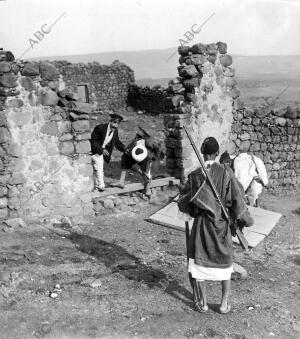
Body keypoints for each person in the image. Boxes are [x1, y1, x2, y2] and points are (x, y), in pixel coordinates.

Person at [178, 137, 254, 314]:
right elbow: (238, 199)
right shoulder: (226, 172)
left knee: (199, 265)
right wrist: (245, 221)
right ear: (217, 153)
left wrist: (188, 200)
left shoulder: (195, 175)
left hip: (202, 226)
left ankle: (203, 304)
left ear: (203, 153)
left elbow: (185, 202)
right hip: (222, 226)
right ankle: (223, 304)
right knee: (225, 265)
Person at [111, 127, 164, 196]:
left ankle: (147, 188)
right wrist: (140, 171)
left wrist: (158, 148)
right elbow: (131, 163)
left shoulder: (149, 151)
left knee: (148, 174)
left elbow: (156, 155)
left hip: (150, 159)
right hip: (133, 157)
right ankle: (121, 181)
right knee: (125, 158)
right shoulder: (131, 149)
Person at [90, 114, 125, 191]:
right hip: (93, 151)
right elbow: (93, 141)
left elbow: (117, 142)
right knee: (99, 167)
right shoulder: (100, 128)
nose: (115, 125)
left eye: (117, 124)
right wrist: (101, 149)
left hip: (100, 153)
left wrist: (125, 150)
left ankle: (97, 186)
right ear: (110, 121)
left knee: (98, 168)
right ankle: (101, 185)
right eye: (114, 122)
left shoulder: (115, 132)